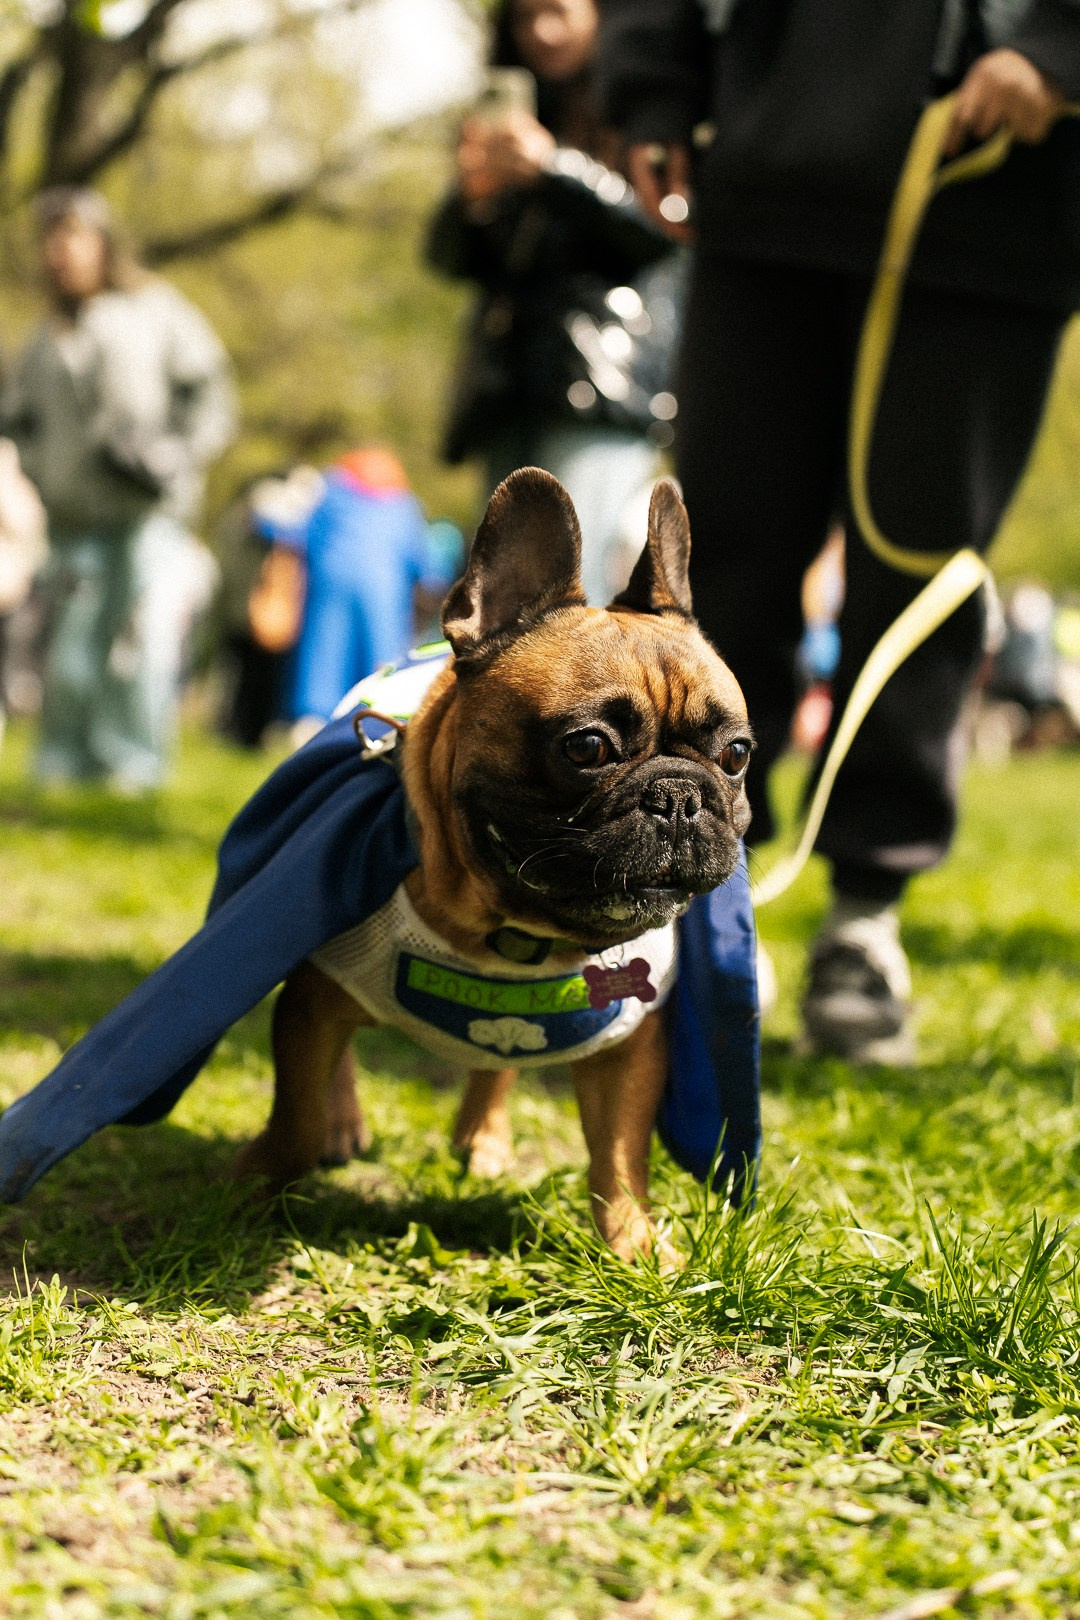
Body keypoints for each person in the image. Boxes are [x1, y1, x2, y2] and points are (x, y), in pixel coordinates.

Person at [597, 0, 1080, 1061]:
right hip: (771, 175)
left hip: (996, 198)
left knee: (921, 581)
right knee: (714, 567)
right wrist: (653, 87)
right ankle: (704, 901)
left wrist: (1056, 47)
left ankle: (866, 916)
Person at [427, 0, 682, 603]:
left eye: (558, 11)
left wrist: (552, 167)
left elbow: (660, 227)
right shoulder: (514, 113)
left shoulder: (648, 100)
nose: (541, 31)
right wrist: (472, 199)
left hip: (604, 384)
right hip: (511, 384)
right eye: (525, 17)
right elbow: (447, 260)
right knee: (494, 599)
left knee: (564, 593)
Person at [2, 187, 234, 791]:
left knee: (139, 642)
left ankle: (133, 766)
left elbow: (210, 390)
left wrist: (179, 454)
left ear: (103, 244)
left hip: (146, 514)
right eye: (51, 240)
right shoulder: (45, 337)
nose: (61, 252)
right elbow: (15, 418)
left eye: (74, 236)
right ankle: (64, 764)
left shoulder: (155, 310)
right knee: (71, 648)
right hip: (74, 518)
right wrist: (41, 470)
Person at [258, 446, 464, 746]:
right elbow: (426, 563)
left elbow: (295, 531)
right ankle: (379, 724)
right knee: (381, 660)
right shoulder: (403, 505)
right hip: (385, 591)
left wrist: (263, 520)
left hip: (330, 585)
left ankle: (312, 725)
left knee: (324, 654)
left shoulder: (332, 490)